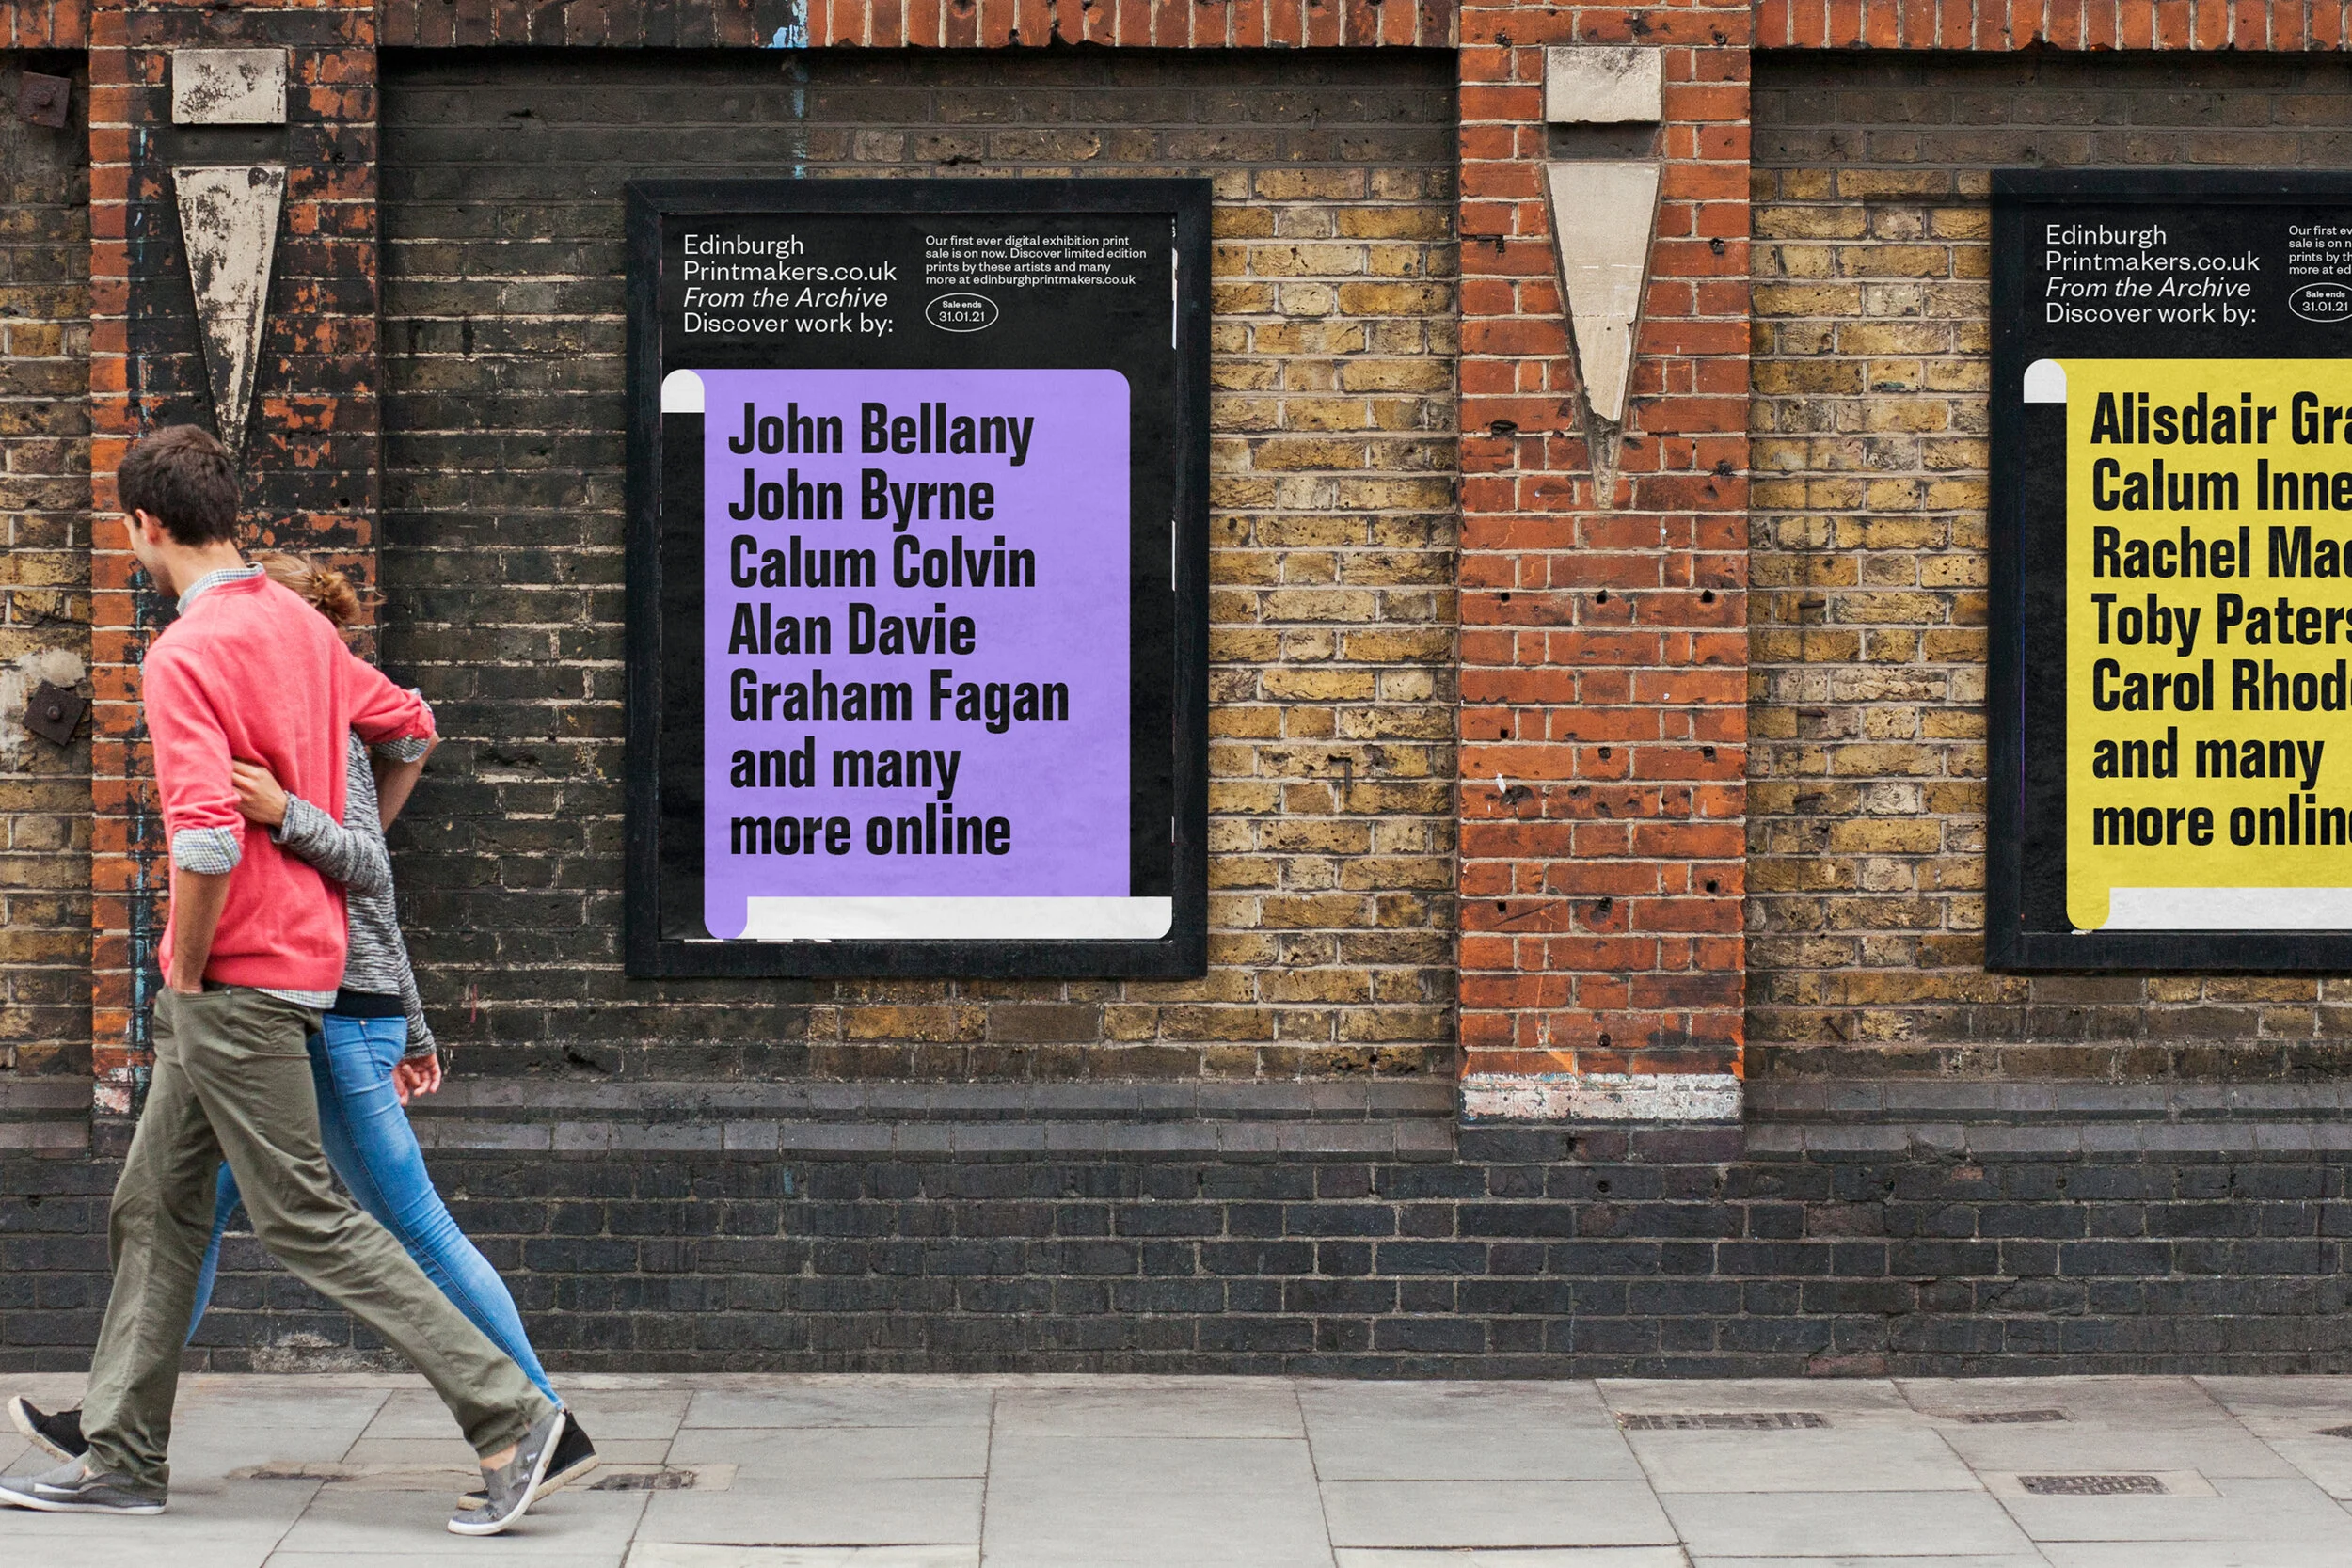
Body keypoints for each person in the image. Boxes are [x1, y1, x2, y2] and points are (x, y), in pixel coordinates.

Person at [0, 426, 564, 1536]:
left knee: (306, 1217)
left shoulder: (185, 651)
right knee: (154, 1203)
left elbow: (205, 842)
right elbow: (412, 725)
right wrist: (333, 856)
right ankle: (121, 1453)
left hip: (236, 978)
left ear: (143, 525)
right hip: (298, 965)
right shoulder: (300, 624)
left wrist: (193, 968)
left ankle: (514, 1412)